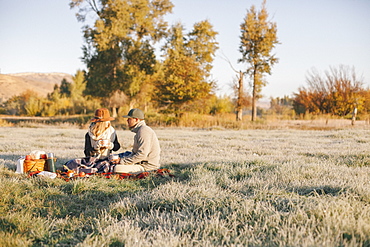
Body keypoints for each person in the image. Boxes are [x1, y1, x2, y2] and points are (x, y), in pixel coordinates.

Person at [112, 108, 161, 173]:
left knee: (117, 168)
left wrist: (122, 161)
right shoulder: (140, 130)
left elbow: (142, 155)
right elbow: (135, 153)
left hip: (147, 167)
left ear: (136, 119)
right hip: (141, 163)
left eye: (129, 119)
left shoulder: (143, 131)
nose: (127, 120)